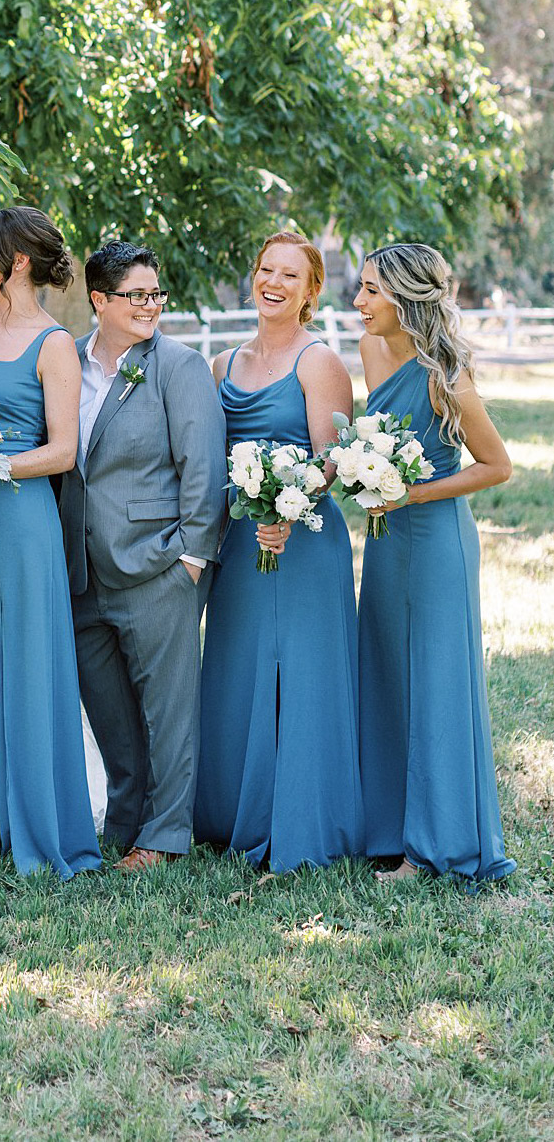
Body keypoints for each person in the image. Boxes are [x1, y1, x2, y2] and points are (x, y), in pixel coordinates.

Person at [0, 207, 101, 879]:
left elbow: (62, 450)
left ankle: (44, 827)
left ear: (19, 263)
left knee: (29, 666)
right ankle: (3, 821)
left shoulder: (54, 343)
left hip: (18, 513)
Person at [195, 230, 364, 871]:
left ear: (311, 291)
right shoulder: (222, 366)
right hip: (241, 543)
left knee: (304, 676)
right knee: (237, 669)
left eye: (291, 276)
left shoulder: (319, 363)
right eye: (266, 269)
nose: (274, 282)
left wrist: (289, 505)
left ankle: (305, 819)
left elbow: (334, 460)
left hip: (304, 542)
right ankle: (230, 812)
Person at [58, 241, 227, 870]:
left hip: (158, 566)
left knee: (168, 710)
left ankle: (165, 835)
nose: (151, 305)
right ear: (99, 300)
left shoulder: (178, 367)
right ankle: (125, 819)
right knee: (109, 712)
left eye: (157, 294)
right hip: (82, 569)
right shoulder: (69, 360)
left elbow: (203, 468)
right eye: (137, 295)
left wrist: (190, 558)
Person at [354, 242, 515, 883]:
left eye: (371, 291)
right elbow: (382, 440)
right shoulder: (371, 352)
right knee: (390, 673)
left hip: (439, 540)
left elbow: (497, 466)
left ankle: (438, 843)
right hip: (388, 539)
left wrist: (410, 492)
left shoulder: (445, 375)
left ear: (405, 298)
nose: (359, 302)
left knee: (437, 685)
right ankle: (391, 830)